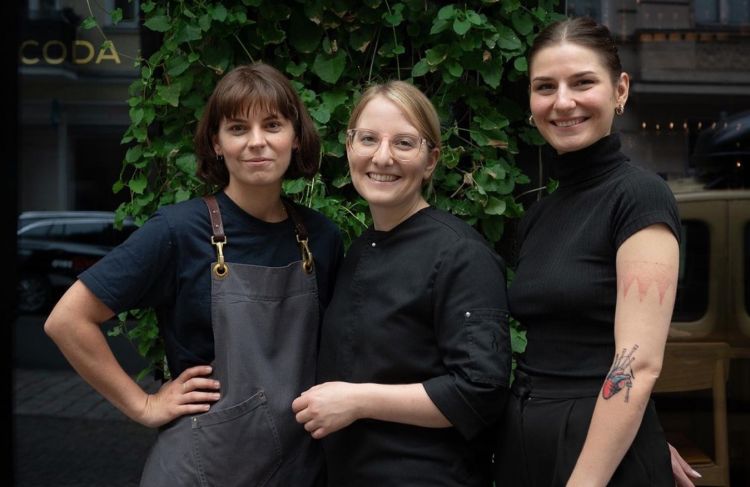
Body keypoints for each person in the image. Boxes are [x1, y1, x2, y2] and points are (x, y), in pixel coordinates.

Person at [44, 62, 343, 487]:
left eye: (272, 125)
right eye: (238, 128)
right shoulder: (179, 231)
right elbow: (68, 320)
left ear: (295, 137)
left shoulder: (321, 238)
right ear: (217, 144)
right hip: (203, 471)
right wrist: (143, 405)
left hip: (297, 469)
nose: (257, 142)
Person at [493, 17, 700, 487]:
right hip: (527, 442)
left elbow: (638, 365)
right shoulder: (541, 213)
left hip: (594, 467)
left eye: (582, 82)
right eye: (545, 87)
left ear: (619, 89)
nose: (562, 102)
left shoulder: (639, 196)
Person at [292, 81, 511, 486]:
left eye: (405, 143)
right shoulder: (358, 248)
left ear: (431, 160)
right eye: (368, 139)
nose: (383, 156)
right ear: (348, 146)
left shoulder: (461, 254)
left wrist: (357, 400)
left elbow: (480, 390)